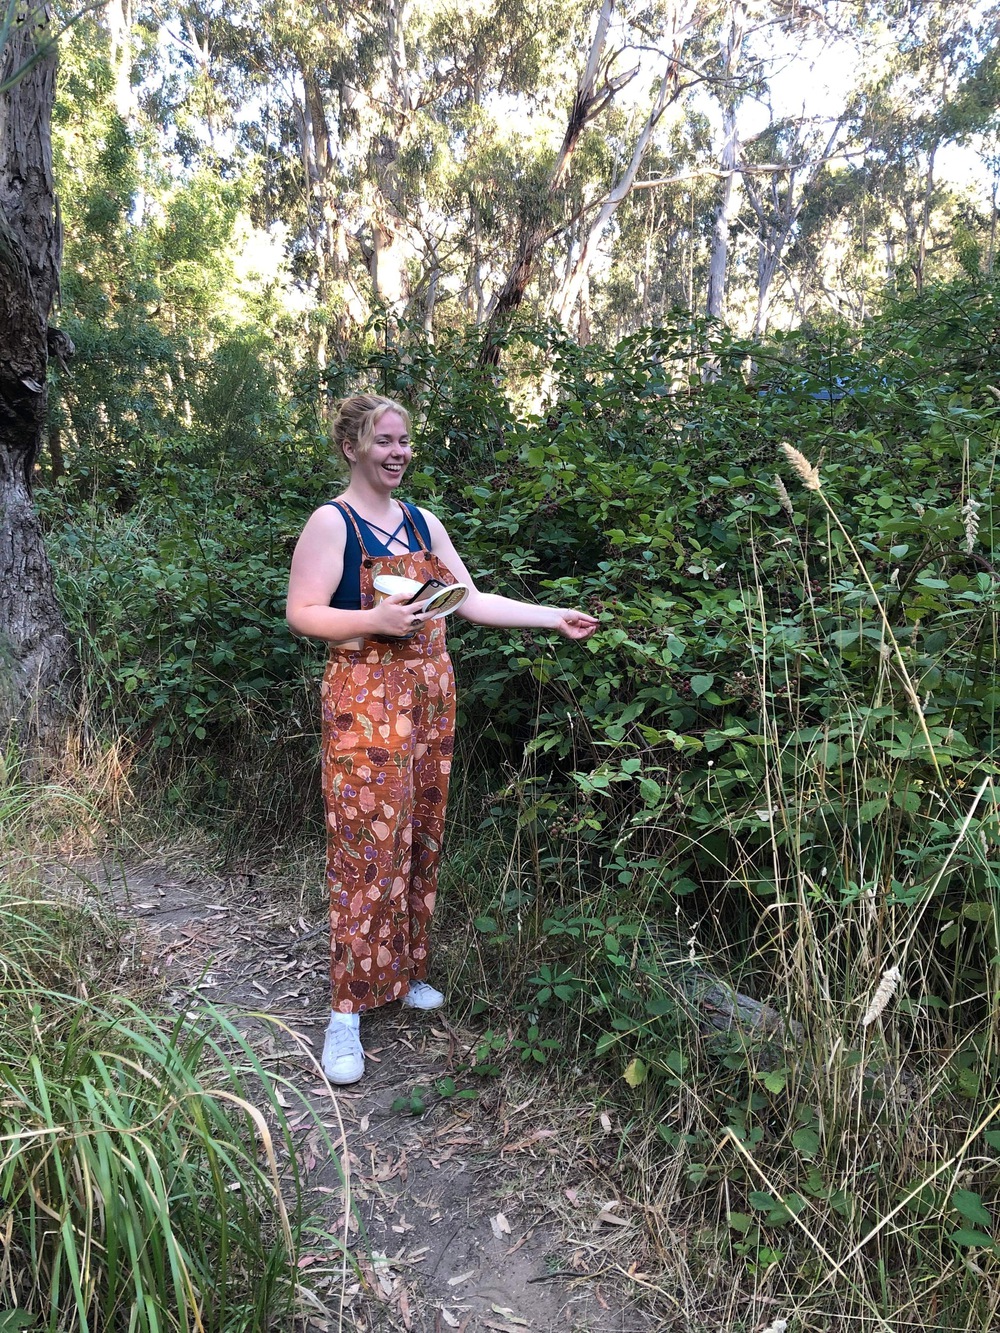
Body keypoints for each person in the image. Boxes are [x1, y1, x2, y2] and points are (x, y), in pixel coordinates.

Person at [286, 394, 598, 1085]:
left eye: (404, 442)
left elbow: (472, 599)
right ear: (352, 447)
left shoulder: (422, 521)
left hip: (430, 696)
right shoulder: (331, 522)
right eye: (384, 441)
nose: (398, 452)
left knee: (420, 832)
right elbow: (302, 613)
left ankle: (405, 970)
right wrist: (371, 619)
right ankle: (347, 1008)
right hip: (365, 701)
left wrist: (553, 617)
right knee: (366, 843)